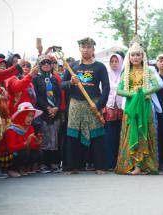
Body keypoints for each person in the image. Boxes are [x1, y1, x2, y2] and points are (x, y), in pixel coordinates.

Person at [62, 37, 110, 175]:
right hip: (75, 104)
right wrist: (70, 82)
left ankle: (100, 166)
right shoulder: (73, 67)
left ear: (93, 49)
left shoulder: (100, 67)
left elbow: (106, 87)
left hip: (93, 104)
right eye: (83, 47)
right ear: (80, 49)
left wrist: (100, 104)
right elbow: (62, 85)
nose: (86, 50)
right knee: (73, 135)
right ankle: (72, 166)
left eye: (89, 47)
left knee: (97, 134)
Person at [114, 36, 161, 175]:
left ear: (143, 56)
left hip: (145, 105)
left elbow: (157, 85)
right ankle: (134, 165)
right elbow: (119, 90)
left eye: (138, 55)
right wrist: (134, 94)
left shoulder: (148, 71)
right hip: (131, 107)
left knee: (143, 132)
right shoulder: (126, 72)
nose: (135, 57)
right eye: (132, 55)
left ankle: (143, 166)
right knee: (131, 134)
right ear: (129, 57)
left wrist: (143, 92)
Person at [33, 55, 61, 172]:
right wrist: (47, 107)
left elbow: (59, 95)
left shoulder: (54, 79)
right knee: (44, 137)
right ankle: (44, 164)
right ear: (39, 65)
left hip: (55, 112)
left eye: (48, 63)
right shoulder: (36, 79)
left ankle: (54, 163)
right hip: (42, 112)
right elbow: (37, 96)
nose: (46, 65)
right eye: (43, 63)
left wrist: (56, 108)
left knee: (54, 138)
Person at [2, 102, 43, 177]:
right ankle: (11, 169)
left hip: (20, 151)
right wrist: (25, 143)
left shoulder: (30, 128)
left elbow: (31, 146)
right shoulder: (11, 129)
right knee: (23, 153)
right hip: (8, 155)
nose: (30, 119)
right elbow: (10, 148)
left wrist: (37, 143)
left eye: (32, 116)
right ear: (21, 115)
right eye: (28, 116)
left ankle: (23, 168)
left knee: (38, 152)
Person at [104, 53, 124, 170]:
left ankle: (120, 163)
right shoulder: (106, 74)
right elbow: (102, 90)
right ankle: (110, 163)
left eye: (116, 61)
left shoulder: (124, 74)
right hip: (109, 109)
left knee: (121, 137)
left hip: (122, 109)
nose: (114, 64)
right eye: (112, 61)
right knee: (109, 137)